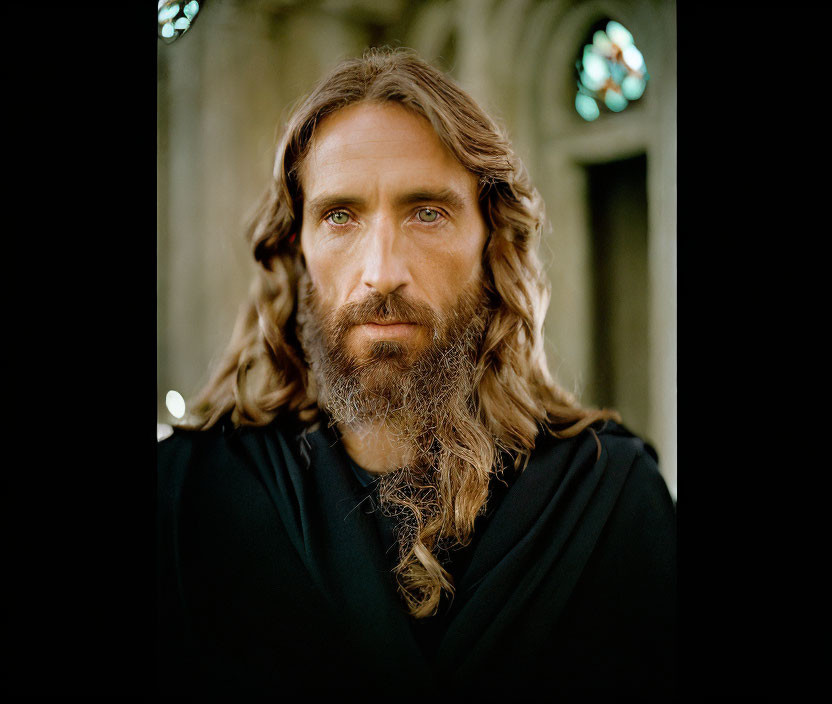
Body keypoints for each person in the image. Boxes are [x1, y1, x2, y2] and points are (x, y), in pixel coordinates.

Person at [157, 47, 676, 696]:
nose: (381, 270)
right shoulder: (187, 498)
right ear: (298, 250)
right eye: (340, 215)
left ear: (491, 240)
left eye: (426, 211)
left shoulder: (610, 501)